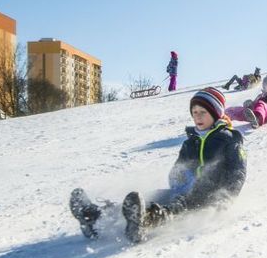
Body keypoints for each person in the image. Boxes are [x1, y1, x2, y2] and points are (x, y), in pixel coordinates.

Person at [69, 87, 246, 242]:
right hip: (184, 189)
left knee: (179, 203)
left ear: (215, 114)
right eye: (194, 112)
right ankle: (96, 218)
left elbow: (238, 173)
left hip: (208, 196)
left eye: (203, 112)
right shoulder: (190, 142)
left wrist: (226, 199)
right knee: (151, 197)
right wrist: (177, 175)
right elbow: (178, 168)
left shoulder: (228, 139)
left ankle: (146, 223)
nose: (197, 117)